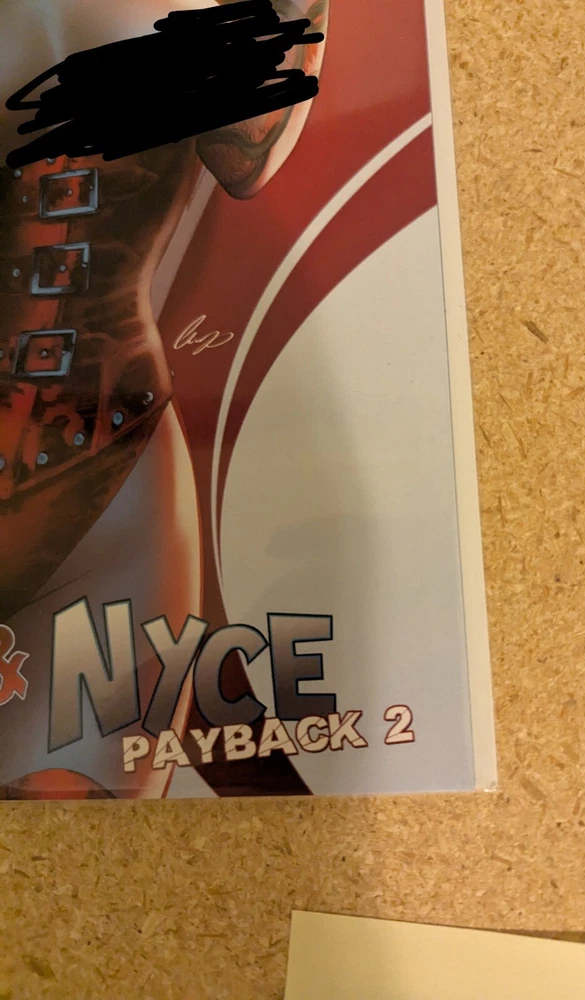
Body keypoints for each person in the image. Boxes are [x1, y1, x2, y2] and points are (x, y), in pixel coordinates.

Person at [0, 0, 326, 798]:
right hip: (105, 465)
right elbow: (250, 154)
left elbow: (247, 155)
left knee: (77, 845)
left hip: (108, 478)